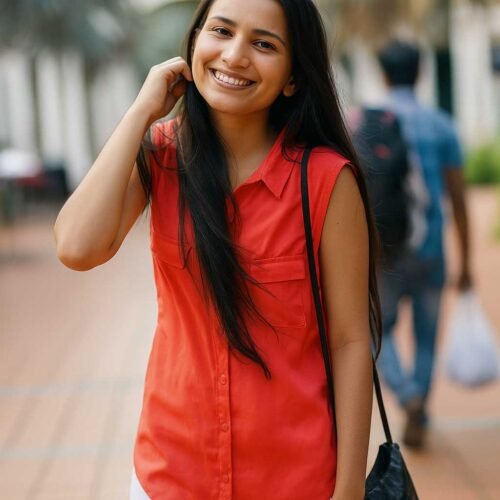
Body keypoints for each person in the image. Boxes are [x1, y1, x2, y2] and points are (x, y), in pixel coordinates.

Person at [54, 0, 382, 498]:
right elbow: (77, 246)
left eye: (264, 44)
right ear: (193, 44)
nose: (234, 55)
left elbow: (350, 341)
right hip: (172, 474)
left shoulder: (325, 181)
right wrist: (141, 111)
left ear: (293, 77)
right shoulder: (162, 155)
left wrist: (348, 490)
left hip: (293, 480)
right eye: (221, 31)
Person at [374, 40, 472, 449]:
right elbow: (458, 199)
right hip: (431, 250)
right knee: (428, 337)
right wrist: (467, 261)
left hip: (386, 253)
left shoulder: (368, 122)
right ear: (421, 73)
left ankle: (407, 395)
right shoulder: (441, 123)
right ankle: (420, 405)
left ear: (383, 74)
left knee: (377, 333)